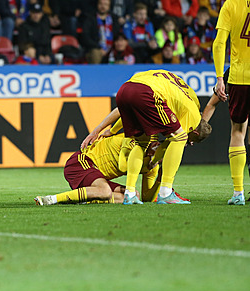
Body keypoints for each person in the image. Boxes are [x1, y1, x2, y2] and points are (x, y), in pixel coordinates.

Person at [82, 70, 211, 204]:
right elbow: (173, 140)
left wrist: (110, 130)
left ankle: (130, 193)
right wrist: (155, 160)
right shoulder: (194, 116)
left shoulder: (184, 94)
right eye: (192, 141)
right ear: (195, 133)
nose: (189, 144)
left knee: (141, 142)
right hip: (148, 94)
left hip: (125, 89)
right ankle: (166, 192)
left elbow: (130, 103)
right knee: (180, 137)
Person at [213, 0, 250, 205]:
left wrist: (219, 77)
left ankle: (238, 192)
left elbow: (219, 43)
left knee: (237, 132)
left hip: (239, 78)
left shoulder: (232, 4)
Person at [35, 134, 163, 205]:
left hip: (96, 176)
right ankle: (51, 199)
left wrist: (160, 178)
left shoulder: (153, 166)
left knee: (133, 195)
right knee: (105, 191)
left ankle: (85, 200)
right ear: (155, 145)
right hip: (81, 162)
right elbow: (122, 166)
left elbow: (147, 199)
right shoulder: (131, 144)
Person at [80, 0, 120, 64]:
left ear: (109, 6)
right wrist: (99, 48)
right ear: (97, 5)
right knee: (96, 53)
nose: (103, 6)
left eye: (105, 4)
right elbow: (85, 37)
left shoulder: (114, 19)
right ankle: (95, 74)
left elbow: (118, 35)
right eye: (101, 4)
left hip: (112, 48)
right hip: (95, 49)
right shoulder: (90, 19)